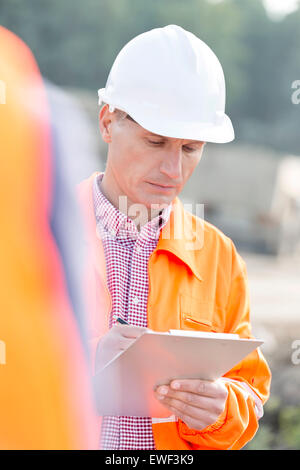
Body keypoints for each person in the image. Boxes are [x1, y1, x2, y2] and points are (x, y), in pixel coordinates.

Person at [78, 24, 271, 450]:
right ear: (108, 121)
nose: (173, 170)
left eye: (190, 149)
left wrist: (221, 409)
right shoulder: (34, 231)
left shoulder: (218, 257)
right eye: (155, 142)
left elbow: (249, 392)